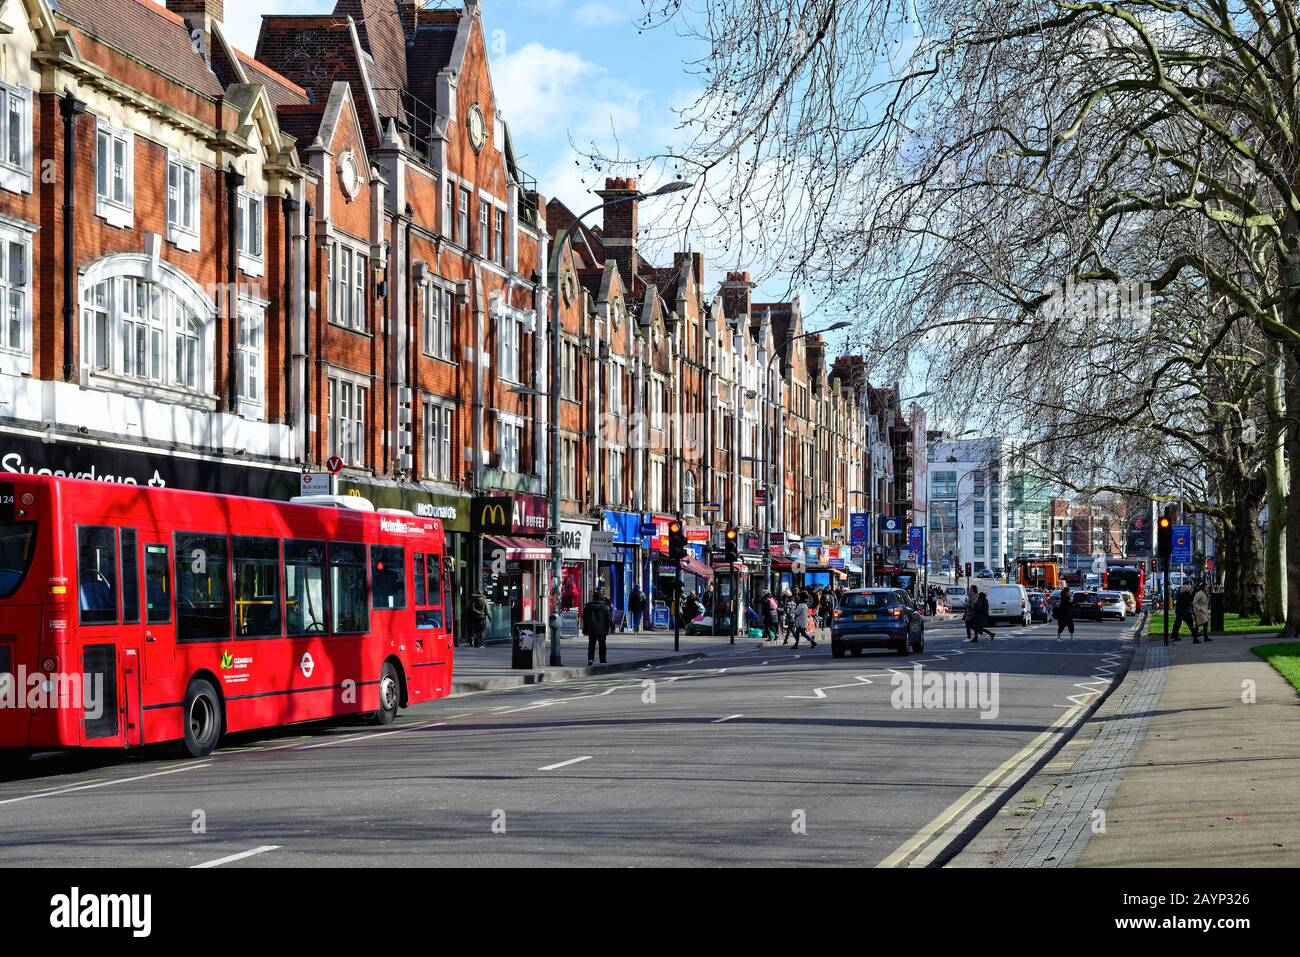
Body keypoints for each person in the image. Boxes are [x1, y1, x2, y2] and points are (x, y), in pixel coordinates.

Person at [581, 588, 614, 666]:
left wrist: (585, 627)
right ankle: (602, 659)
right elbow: (609, 618)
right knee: (602, 644)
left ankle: (590, 659)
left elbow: (584, 617)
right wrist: (612, 626)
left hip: (591, 629)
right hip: (602, 629)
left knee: (591, 644)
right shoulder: (604, 607)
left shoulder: (588, 607)